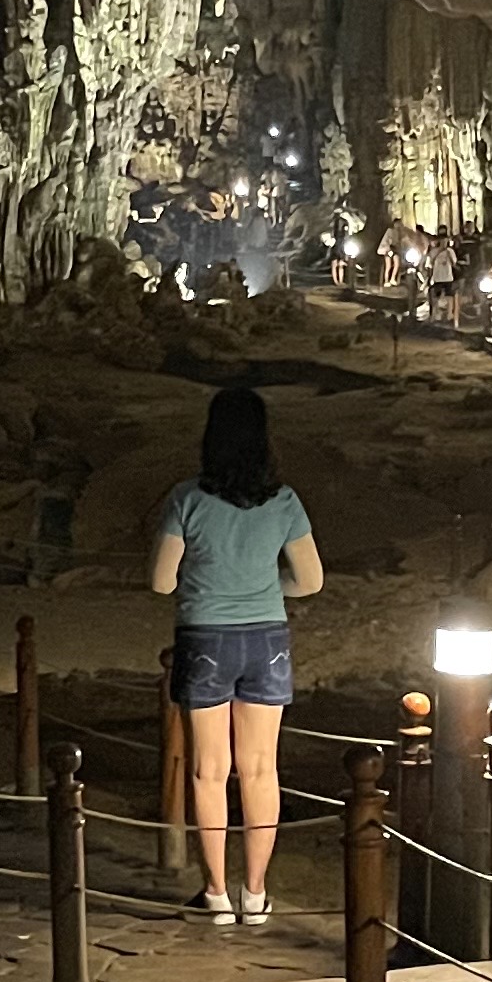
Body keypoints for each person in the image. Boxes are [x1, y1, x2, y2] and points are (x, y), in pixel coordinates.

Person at [150, 385, 322, 925]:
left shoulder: (187, 499)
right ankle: (256, 894)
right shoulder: (284, 501)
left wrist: (210, 586)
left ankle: (216, 896)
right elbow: (311, 580)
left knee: (208, 771)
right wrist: (265, 588)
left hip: (205, 637)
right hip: (267, 639)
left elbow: (161, 581)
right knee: (261, 770)